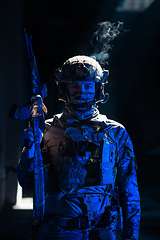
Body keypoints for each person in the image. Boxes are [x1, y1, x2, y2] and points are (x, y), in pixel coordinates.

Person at [17, 55, 141, 240]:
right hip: (58, 232)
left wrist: (131, 236)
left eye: (88, 86)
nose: (81, 91)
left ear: (98, 89)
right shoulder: (46, 129)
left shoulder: (116, 133)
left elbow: (129, 190)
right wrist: (30, 150)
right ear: (64, 88)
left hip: (104, 232)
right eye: (74, 85)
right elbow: (27, 183)